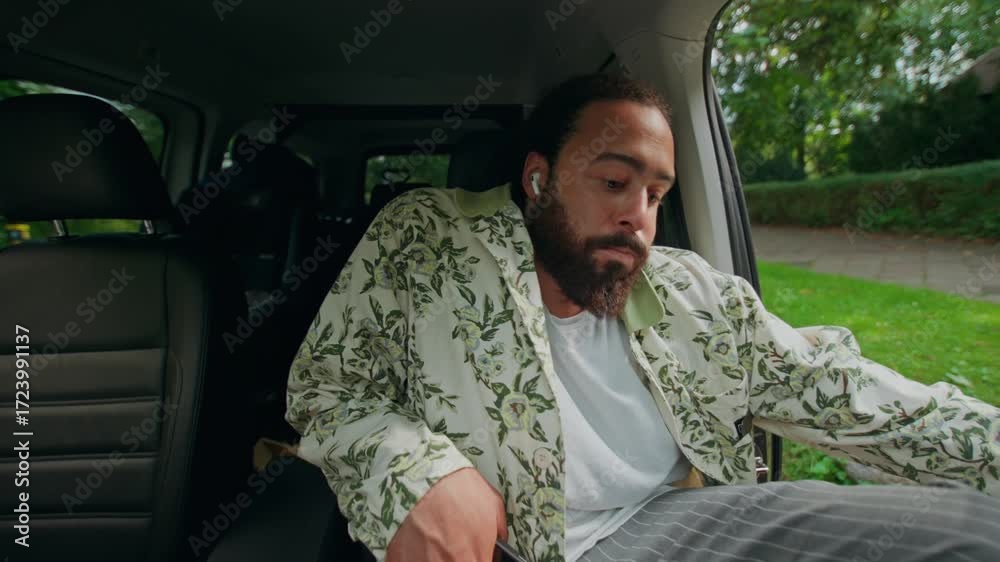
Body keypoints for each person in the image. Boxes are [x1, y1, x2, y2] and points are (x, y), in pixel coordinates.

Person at [286, 74, 1000, 562]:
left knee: (975, 533)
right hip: (522, 545)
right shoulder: (431, 237)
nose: (640, 217)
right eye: (613, 182)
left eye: (656, 194)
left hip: (683, 527)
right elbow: (331, 388)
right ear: (538, 179)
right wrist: (413, 468)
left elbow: (842, 392)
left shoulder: (691, 292)